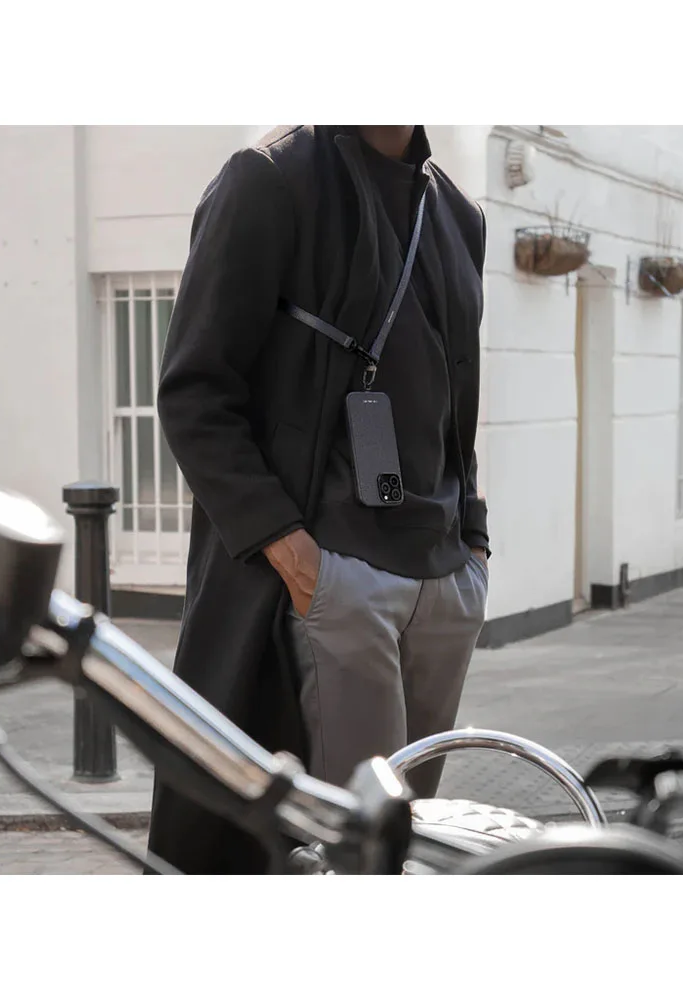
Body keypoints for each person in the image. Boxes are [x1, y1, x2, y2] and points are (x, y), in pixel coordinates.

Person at [149, 125, 489, 875]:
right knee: (336, 854)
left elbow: (457, 400)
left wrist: (473, 541)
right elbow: (195, 392)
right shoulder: (268, 180)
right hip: (330, 580)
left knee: (402, 849)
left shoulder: (459, 216)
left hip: (442, 585)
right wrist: (294, 553)